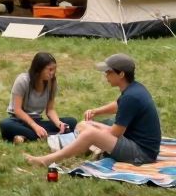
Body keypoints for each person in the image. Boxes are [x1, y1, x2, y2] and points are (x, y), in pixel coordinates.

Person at [25, 53, 161, 167]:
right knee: (84, 125)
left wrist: (94, 132)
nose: (105, 75)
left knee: (90, 133)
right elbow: (118, 105)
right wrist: (96, 112)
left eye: (108, 72)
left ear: (121, 74)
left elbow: (115, 133)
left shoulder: (131, 97)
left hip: (141, 154)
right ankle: (82, 147)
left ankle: (47, 160)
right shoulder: (134, 89)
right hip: (133, 142)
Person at [0, 52, 78, 144]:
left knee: (71, 122)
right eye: (50, 69)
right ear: (39, 69)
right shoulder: (23, 80)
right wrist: (35, 127)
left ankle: (26, 137)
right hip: (19, 121)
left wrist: (59, 124)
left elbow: (50, 110)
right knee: (5, 124)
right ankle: (49, 136)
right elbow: (17, 110)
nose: (52, 73)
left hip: (37, 121)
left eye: (54, 69)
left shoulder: (52, 83)